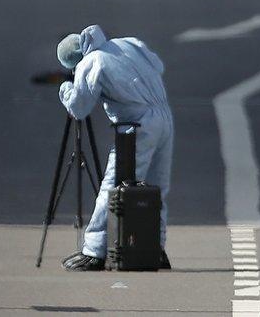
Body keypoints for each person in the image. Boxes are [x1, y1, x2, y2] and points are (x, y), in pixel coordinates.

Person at [55, 25, 174, 271]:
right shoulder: (127, 42)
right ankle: (154, 247)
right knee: (157, 187)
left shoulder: (91, 62)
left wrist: (66, 89)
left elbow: (79, 108)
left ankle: (94, 251)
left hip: (137, 124)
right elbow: (158, 65)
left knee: (114, 184)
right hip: (164, 117)